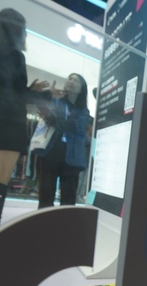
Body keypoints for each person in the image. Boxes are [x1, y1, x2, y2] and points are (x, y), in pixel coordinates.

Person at [0, 8, 50, 237]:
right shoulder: (16, 56)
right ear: (17, 29)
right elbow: (18, 96)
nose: (25, 33)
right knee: (1, 176)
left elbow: (6, 89)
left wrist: (29, 89)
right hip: (9, 120)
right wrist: (43, 94)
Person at [36, 73, 91, 209]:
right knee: (45, 197)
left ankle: (65, 223)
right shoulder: (56, 101)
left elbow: (77, 127)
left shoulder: (84, 111)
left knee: (68, 200)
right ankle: (43, 222)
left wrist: (55, 120)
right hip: (50, 153)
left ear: (82, 89)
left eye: (75, 80)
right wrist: (49, 94)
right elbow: (42, 108)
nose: (71, 81)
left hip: (72, 158)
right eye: (69, 79)